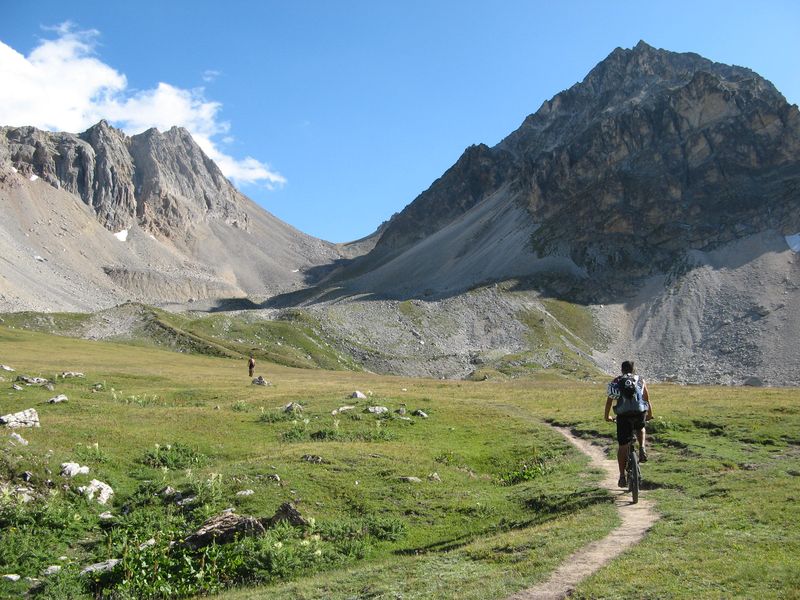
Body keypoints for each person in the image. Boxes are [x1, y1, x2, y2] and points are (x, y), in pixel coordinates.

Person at [604, 360, 653, 488]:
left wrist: (607, 416)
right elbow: (646, 399)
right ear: (633, 369)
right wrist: (649, 414)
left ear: (622, 369)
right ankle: (642, 447)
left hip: (623, 416)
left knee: (623, 446)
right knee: (641, 427)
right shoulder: (640, 380)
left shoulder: (617, 381)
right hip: (639, 413)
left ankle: (621, 477)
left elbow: (609, 401)